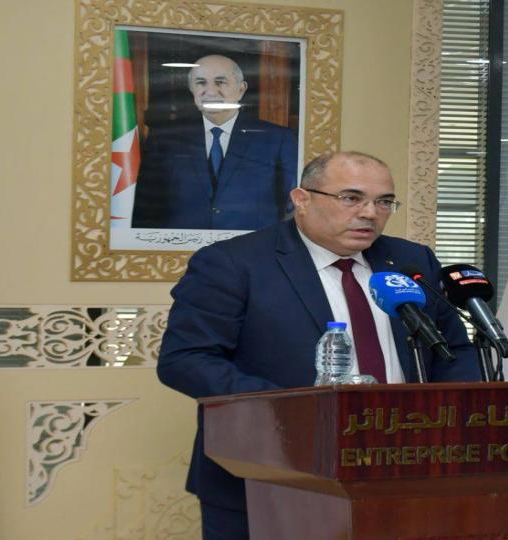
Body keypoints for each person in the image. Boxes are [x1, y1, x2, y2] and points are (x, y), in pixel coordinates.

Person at [156, 151, 481, 539]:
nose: (369, 213)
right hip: (267, 472)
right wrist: (293, 411)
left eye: (383, 202)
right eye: (351, 198)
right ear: (302, 199)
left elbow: (454, 351)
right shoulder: (233, 263)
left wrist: (448, 422)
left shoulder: (411, 261)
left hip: (398, 467)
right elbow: (186, 359)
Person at [132, 54, 298, 230]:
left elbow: (291, 206)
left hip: (252, 245)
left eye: (220, 82)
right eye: (201, 83)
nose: (210, 92)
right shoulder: (165, 138)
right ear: (192, 89)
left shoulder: (277, 139)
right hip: (178, 245)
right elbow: (145, 208)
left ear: (241, 89)